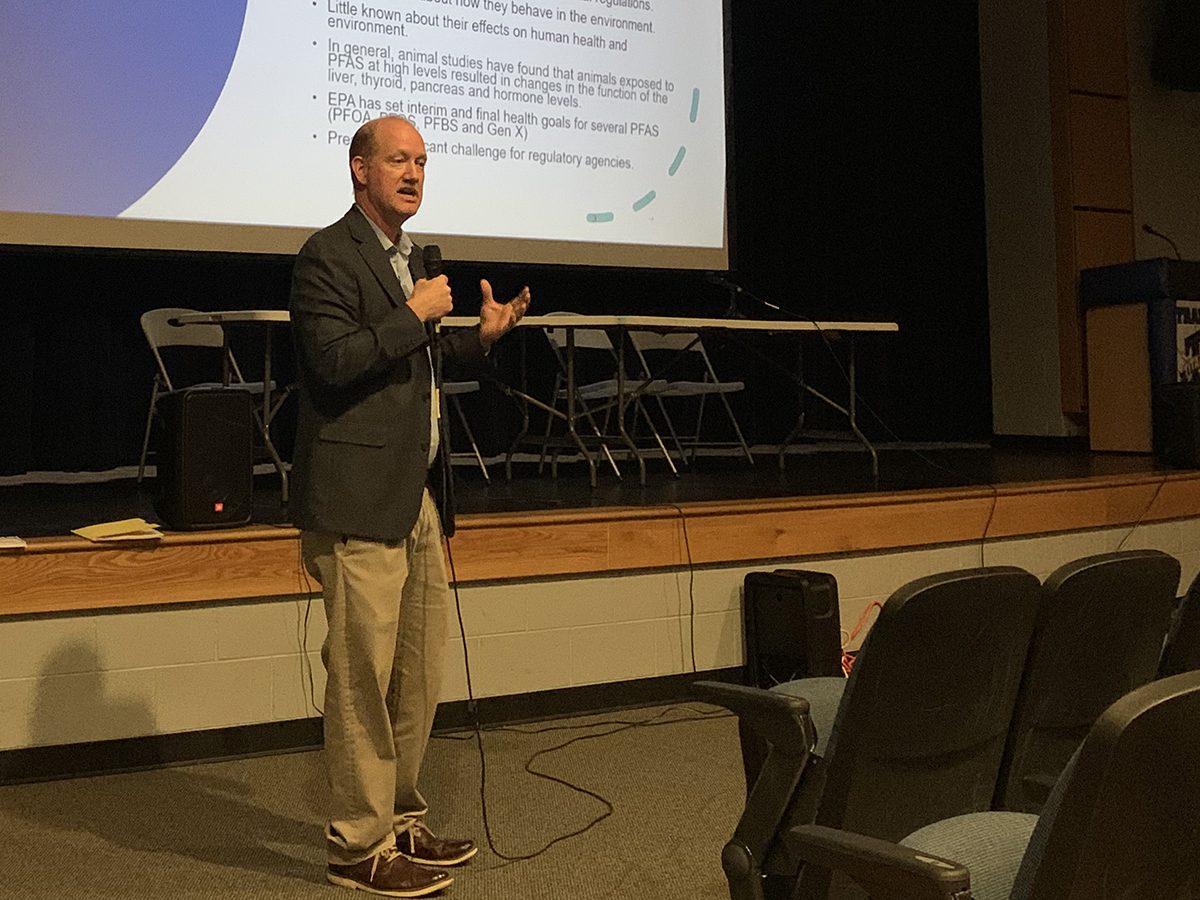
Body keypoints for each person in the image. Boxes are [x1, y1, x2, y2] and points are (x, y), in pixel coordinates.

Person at [289, 115, 530, 897]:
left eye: (423, 160)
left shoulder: (408, 264)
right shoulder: (327, 255)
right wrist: (418, 312)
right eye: (399, 159)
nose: (414, 172)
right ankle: (357, 847)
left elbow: (412, 359)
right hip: (358, 500)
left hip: (420, 496)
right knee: (361, 676)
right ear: (360, 169)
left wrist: (480, 339)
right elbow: (333, 364)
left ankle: (400, 820)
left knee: (417, 676)